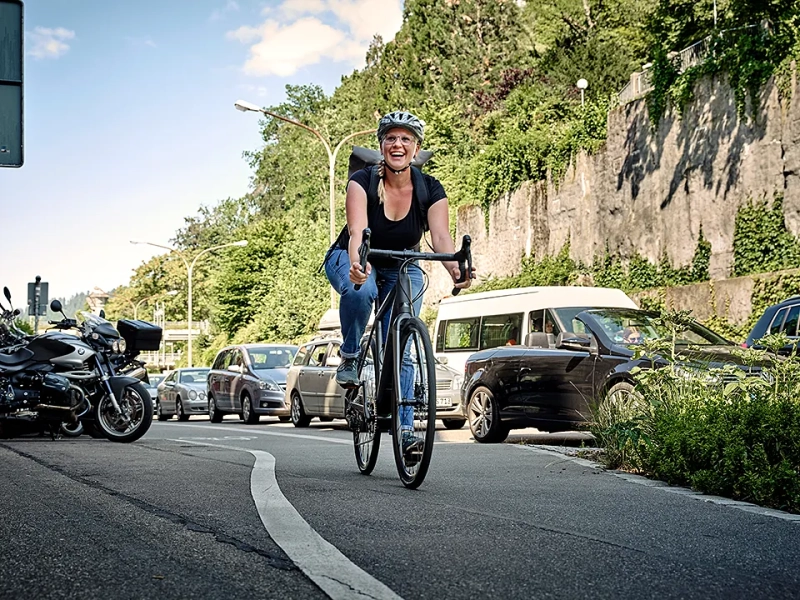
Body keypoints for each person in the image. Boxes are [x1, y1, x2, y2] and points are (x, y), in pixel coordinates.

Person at [323, 110, 474, 451]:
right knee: (362, 291)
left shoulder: (430, 188)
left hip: (402, 262)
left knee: (404, 343)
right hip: (354, 256)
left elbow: (441, 237)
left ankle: (405, 432)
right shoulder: (361, 181)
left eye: (406, 138)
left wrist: (456, 271)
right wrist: (358, 265)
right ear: (381, 145)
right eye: (391, 138)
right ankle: (350, 356)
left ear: (416, 148)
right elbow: (358, 232)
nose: (398, 144)